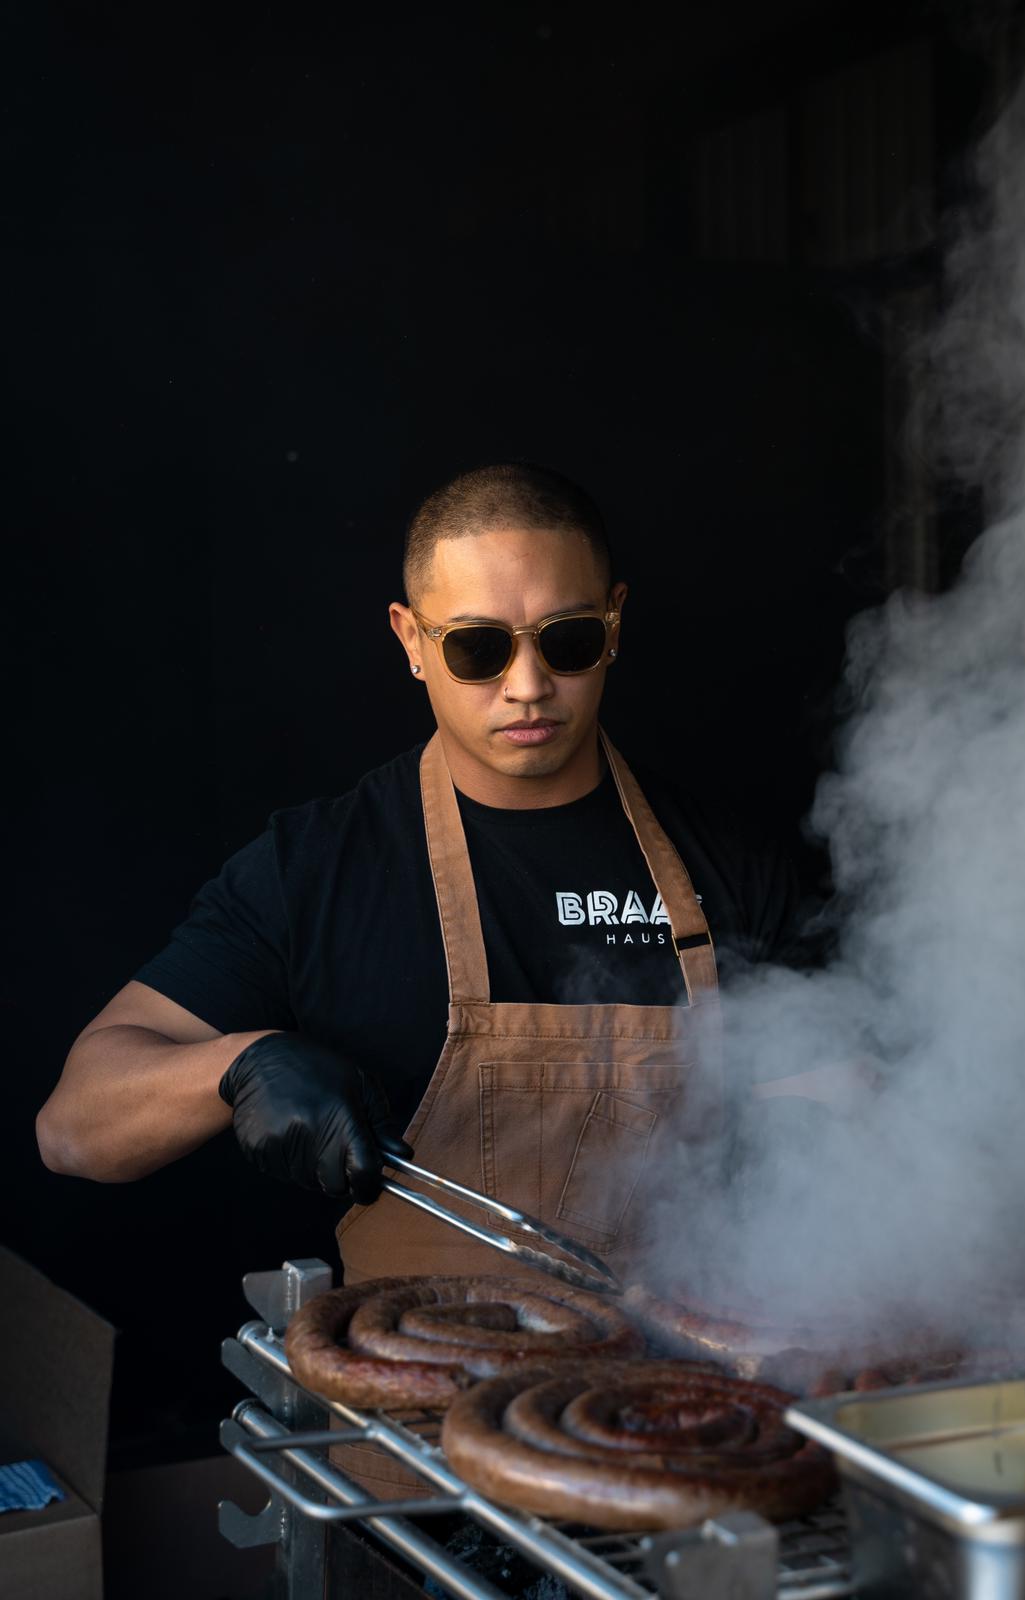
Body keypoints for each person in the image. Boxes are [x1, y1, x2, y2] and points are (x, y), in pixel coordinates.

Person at [36, 463, 803, 1291]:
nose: (528, 686)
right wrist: (240, 1064)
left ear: (613, 623)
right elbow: (72, 1128)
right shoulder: (315, 869)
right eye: (478, 648)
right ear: (411, 640)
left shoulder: (734, 866)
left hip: (684, 1356)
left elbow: (835, 1119)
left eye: (568, 639)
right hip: (410, 1361)